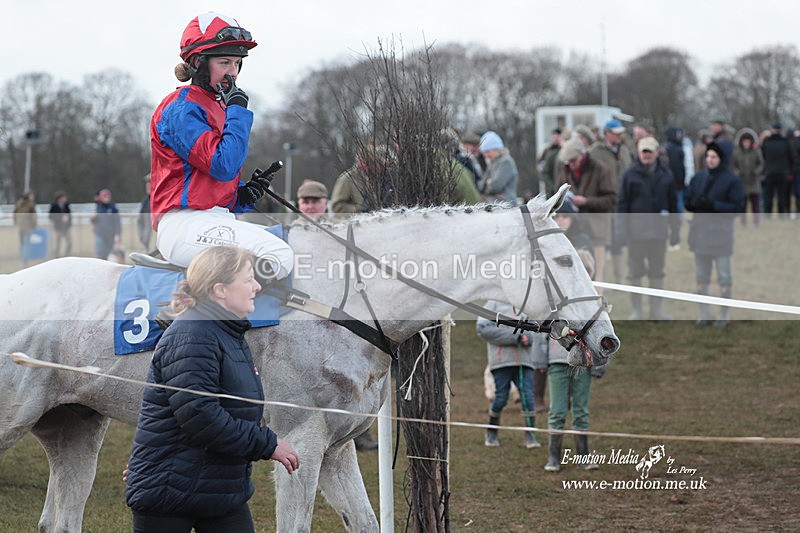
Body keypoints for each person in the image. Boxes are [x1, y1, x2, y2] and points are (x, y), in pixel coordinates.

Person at [125, 246, 300, 532]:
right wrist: (267, 444)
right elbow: (201, 416)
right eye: (248, 279)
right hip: (170, 493)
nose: (257, 286)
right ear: (220, 290)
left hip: (219, 490)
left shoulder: (226, 332)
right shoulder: (193, 335)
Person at [150, 12, 293, 286]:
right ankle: (193, 312)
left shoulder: (217, 106)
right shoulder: (181, 108)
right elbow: (223, 165)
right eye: (224, 62)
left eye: (237, 63)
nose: (233, 72)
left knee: (284, 242)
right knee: (278, 254)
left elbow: (209, 181)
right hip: (184, 226)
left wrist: (240, 196)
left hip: (210, 221)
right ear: (198, 63)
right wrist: (238, 111)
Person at [544, 200, 602, 472]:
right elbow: (544, 329)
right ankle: (554, 455)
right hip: (558, 360)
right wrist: (537, 361)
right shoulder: (552, 297)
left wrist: (603, 361)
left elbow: (603, 332)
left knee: (581, 410)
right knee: (557, 411)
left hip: (586, 361)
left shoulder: (594, 300)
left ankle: (583, 455)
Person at [615, 137, 681, 321]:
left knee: (657, 272)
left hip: (659, 234)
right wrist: (621, 233)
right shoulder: (629, 175)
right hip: (635, 235)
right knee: (635, 273)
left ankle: (656, 310)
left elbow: (674, 206)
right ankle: (637, 311)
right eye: (643, 151)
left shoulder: (667, 175)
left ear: (656, 152)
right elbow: (622, 206)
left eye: (649, 151)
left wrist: (675, 232)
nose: (646, 155)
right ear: (638, 153)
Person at [685, 141, 745, 328]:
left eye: (714, 157)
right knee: (702, 278)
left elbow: (737, 208)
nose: (710, 160)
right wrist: (695, 203)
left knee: (724, 277)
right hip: (700, 235)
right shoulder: (698, 178)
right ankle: (704, 314)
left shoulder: (732, 180)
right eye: (708, 156)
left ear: (721, 159)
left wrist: (714, 205)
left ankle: (724, 314)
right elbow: (688, 201)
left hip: (721, 237)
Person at [476, 300, 545, 449]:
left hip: (524, 361)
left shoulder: (525, 304)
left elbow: (535, 329)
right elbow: (483, 329)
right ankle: (491, 433)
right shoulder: (492, 304)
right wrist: (515, 337)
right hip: (501, 361)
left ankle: (530, 436)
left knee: (528, 397)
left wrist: (528, 338)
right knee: (500, 398)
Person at [555, 138, 617, 284]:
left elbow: (611, 199)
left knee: (595, 274)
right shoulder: (565, 171)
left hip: (597, 230)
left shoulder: (601, 170)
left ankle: (597, 304)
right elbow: (556, 195)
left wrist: (587, 201)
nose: (570, 164)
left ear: (582, 155)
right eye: (567, 162)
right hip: (573, 231)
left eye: (573, 160)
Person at [589, 119, 634, 284]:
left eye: (620, 133)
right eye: (616, 133)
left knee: (619, 242)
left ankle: (620, 279)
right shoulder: (595, 152)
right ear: (607, 133)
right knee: (601, 243)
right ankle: (601, 279)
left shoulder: (625, 151)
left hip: (622, 204)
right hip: (603, 204)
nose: (619, 136)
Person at [760, 121, 795, 218]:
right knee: (781, 196)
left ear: (772, 130)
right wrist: (790, 171)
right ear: (780, 130)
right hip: (783, 172)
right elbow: (792, 158)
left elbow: (762, 158)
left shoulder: (766, 143)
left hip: (769, 172)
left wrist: (763, 172)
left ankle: (767, 215)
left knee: (768, 196)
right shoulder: (785, 142)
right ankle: (781, 215)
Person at [732, 129, 764, 227]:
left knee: (755, 204)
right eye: (744, 141)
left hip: (754, 182)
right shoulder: (737, 152)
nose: (746, 143)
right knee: (743, 205)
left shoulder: (756, 151)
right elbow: (733, 165)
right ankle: (743, 223)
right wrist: (737, 173)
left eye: (748, 141)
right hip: (742, 182)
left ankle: (756, 222)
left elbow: (761, 163)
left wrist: (756, 172)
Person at [478, 130, 518, 205]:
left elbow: (496, 186)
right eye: (484, 152)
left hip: (506, 206)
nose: (486, 155)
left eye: (488, 151)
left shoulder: (506, 162)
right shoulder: (493, 163)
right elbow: (481, 186)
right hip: (496, 205)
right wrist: (488, 182)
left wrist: (488, 183)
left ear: (497, 149)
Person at [91, 188, 121, 260]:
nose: (106, 198)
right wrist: (93, 218)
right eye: (104, 196)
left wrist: (117, 234)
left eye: (107, 196)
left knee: (110, 253)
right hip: (100, 234)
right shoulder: (98, 208)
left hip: (110, 235)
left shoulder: (113, 208)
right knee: (100, 253)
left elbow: (117, 222)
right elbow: (93, 221)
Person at [663, 126, 687, 214]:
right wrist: (680, 181)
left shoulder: (673, 147)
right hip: (676, 183)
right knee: (677, 206)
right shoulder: (673, 148)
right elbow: (676, 167)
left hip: (676, 182)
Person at [13, 190, 37, 268]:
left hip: (20, 227)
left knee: (22, 244)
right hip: (27, 227)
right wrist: (34, 225)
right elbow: (33, 216)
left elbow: (14, 214)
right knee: (26, 245)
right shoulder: (30, 204)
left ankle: (22, 260)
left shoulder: (18, 203)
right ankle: (25, 262)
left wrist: (17, 223)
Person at [537, 128, 563, 196]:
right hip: (549, 185)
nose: (555, 139)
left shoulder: (563, 150)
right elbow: (540, 165)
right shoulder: (547, 150)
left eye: (557, 137)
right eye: (553, 137)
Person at [48, 191, 72, 258]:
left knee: (69, 242)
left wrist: (67, 219)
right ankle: (56, 256)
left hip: (66, 227)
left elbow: (70, 215)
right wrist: (60, 218)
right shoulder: (54, 206)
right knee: (57, 243)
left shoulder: (66, 205)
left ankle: (66, 256)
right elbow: (51, 216)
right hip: (58, 227)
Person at [136, 174, 152, 250]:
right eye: (147, 182)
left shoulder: (162, 201)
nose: (148, 185)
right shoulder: (145, 201)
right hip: (148, 247)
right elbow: (139, 222)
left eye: (151, 182)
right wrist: (143, 239)